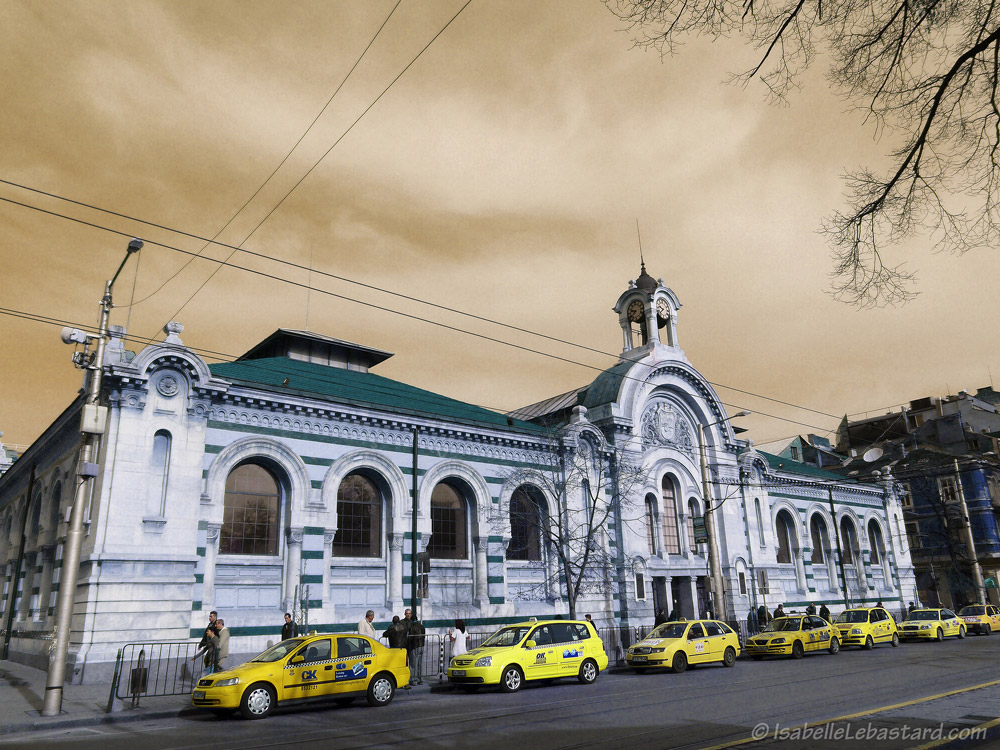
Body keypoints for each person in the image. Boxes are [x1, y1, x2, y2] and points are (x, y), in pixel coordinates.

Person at [403, 608, 426, 685]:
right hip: (421, 645)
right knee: (420, 663)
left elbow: (410, 638)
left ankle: (413, 680)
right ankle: (420, 679)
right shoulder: (421, 626)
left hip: (414, 646)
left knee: (413, 664)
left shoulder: (412, 627)